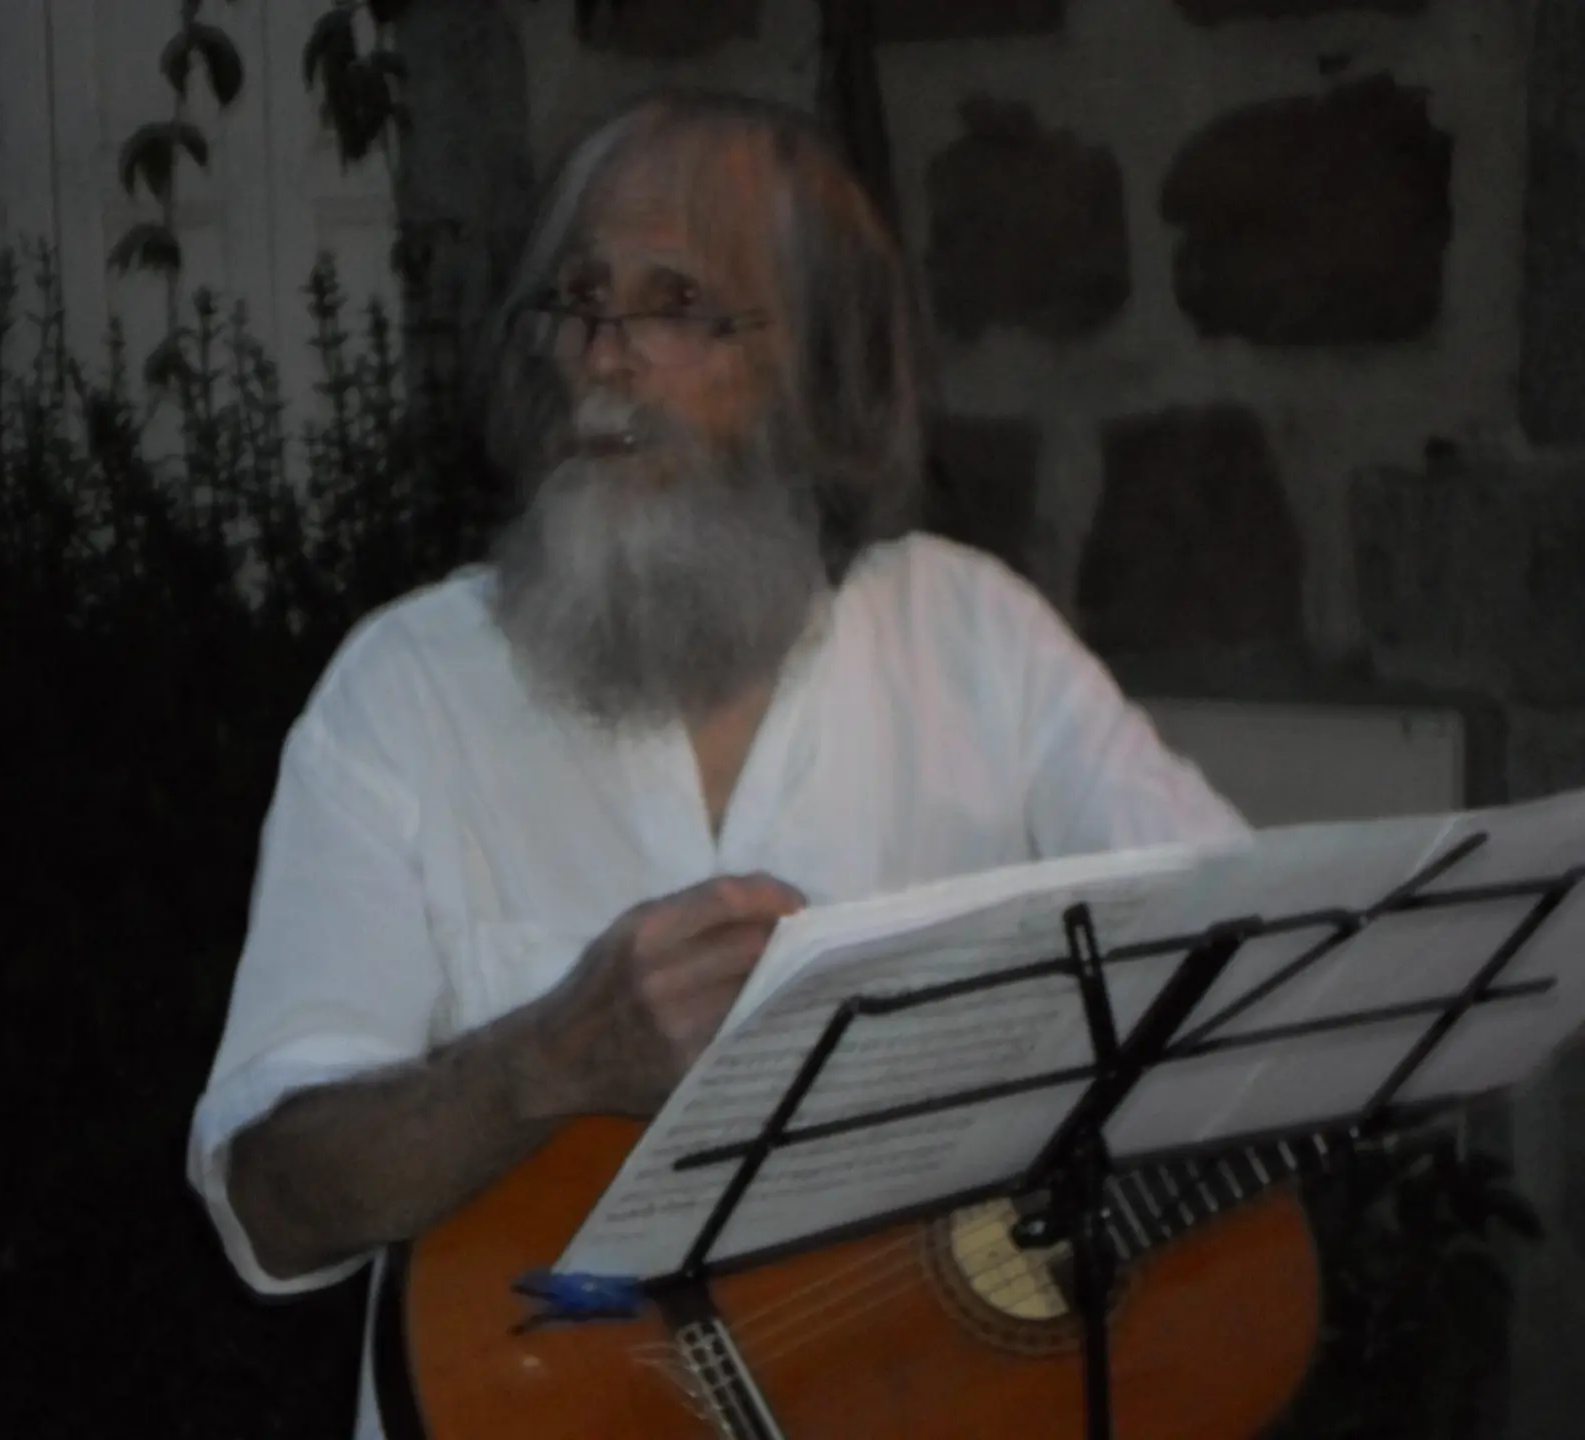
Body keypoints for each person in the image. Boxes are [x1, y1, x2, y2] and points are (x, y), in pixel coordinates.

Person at [186, 89, 1247, 1439]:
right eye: (581, 302)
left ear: (820, 369)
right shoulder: (406, 691)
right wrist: (542, 1063)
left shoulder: (979, 641)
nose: (603, 357)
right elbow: (271, 1205)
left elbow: (1257, 976)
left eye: (676, 305)